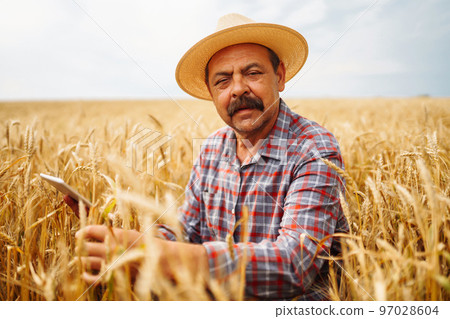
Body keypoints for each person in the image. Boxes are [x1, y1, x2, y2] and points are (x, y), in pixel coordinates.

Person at [67, 13, 349, 300]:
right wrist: (127, 242)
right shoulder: (212, 149)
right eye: (223, 81)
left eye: (252, 73)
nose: (238, 89)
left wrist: (166, 258)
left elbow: (295, 265)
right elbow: (186, 231)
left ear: (280, 76)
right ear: (212, 94)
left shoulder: (314, 148)